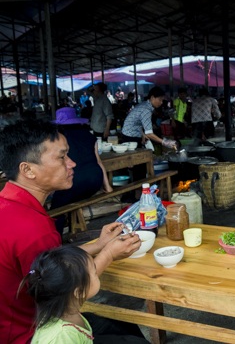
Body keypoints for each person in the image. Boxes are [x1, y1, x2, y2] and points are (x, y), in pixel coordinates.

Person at [0, 119, 144, 344]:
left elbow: (52, 262)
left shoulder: (9, 204)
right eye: (62, 157)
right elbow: (67, 294)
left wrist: (99, 244)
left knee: (124, 326)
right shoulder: (32, 229)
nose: (72, 163)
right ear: (27, 169)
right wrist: (108, 254)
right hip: (33, 334)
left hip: (24, 324)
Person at [50, 107, 112, 235]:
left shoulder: (59, 139)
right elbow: (99, 162)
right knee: (68, 197)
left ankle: (56, 240)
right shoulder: (89, 135)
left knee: (56, 208)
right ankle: (73, 227)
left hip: (75, 183)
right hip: (95, 181)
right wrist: (108, 187)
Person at [20, 246, 100, 343]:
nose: (97, 273)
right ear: (79, 292)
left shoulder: (63, 311)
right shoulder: (61, 337)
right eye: (95, 272)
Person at [121, 86, 177, 150]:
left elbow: (136, 122)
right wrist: (164, 142)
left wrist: (142, 134)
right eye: (160, 100)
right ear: (152, 97)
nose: (161, 102)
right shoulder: (146, 110)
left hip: (131, 133)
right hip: (130, 136)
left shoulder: (145, 105)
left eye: (162, 100)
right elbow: (149, 133)